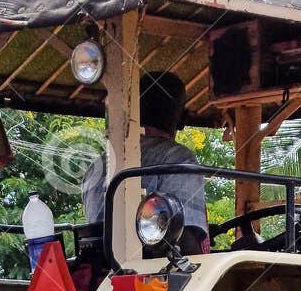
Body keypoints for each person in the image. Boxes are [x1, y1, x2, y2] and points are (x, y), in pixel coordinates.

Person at [82, 70, 208, 245]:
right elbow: (185, 240)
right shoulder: (179, 159)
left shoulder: (96, 166)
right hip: (155, 270)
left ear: (135, 110)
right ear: (183, 120)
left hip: (101, 268)